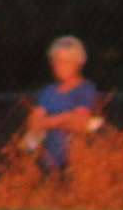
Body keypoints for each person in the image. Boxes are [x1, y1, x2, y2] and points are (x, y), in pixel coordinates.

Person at [27, 38, 99, 184]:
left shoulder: (85, 89)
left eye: (64, 62)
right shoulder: (48, 92)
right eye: (55, 61)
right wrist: (65, 117)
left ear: (77, 63)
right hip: (48, 159)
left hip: (75, 160)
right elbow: (34, 123)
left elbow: (80, 123)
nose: (58, 66)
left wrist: (49, 121)